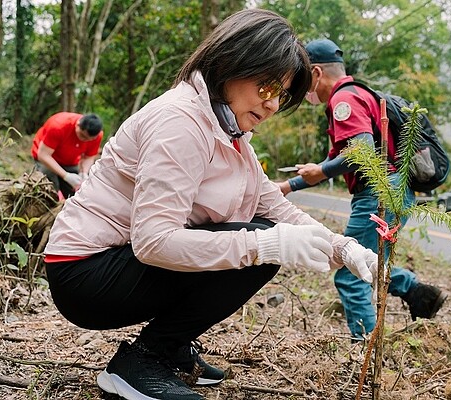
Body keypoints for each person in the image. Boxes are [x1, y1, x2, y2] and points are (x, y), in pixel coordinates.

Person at [43, 9, 381, 400]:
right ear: (231, 63)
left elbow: (275, 206)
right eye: (267, 87)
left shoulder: (230, 132)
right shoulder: (180, 122)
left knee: (268, 232)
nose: (272, 106)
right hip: (84, 272)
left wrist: (344, 247)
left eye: (282, 96)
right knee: (263, 241)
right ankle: (144, 361)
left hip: (116, 262)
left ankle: (170, 347)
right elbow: (153, 241)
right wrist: (263, 246)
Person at [277, 39, 447, 340]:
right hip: (392, 190)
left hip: (378, 194)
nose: (302, 90)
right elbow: (338, 158)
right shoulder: (359, 93)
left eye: (303, 80)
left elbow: (362, 152)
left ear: (316, 73)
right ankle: (419, 293)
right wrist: (290, 185)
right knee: (368, 262)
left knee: (351, 271)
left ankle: (366, 346)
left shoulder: (344, 100)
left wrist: (322, 170)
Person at [31, 112, 103, 198]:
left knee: (76, 192)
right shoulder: (58, 126)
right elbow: (43, 155)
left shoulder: (97, 136)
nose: (84, 140)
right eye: (82, 136)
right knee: (50, 189)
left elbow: (89, 157)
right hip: (46, 159)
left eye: (89, 139)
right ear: (78, 124)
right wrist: (66, 176)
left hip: (69, 161)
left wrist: (83, 173)